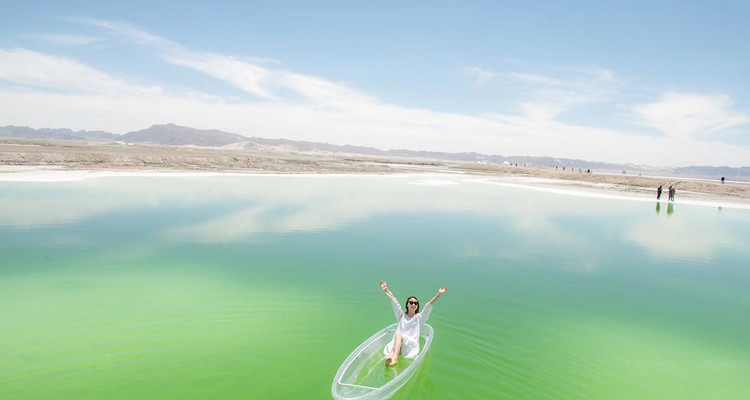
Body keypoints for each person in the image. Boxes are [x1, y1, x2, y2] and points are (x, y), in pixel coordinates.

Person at [379, 280, 447, 367]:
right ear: (407, 305)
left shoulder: (419, 318)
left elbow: (428, 305)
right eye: (411, 302)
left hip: (410, 343)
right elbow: (394, 301)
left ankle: (394, 357)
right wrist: (386, 290)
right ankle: (392, 358)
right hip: (398, 342)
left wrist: (438, 294)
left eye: (416, 303)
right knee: (396, 343)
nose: (414, 304)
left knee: (398, 336)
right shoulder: (401, 316)